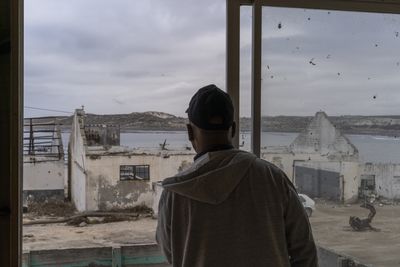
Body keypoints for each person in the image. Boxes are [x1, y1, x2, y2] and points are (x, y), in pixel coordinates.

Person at [156, 84, 318, 267]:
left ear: (189, 132)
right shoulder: (273, 178)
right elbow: (305, 251)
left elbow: (172, 253)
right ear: (233, 129)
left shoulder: (175, 193)